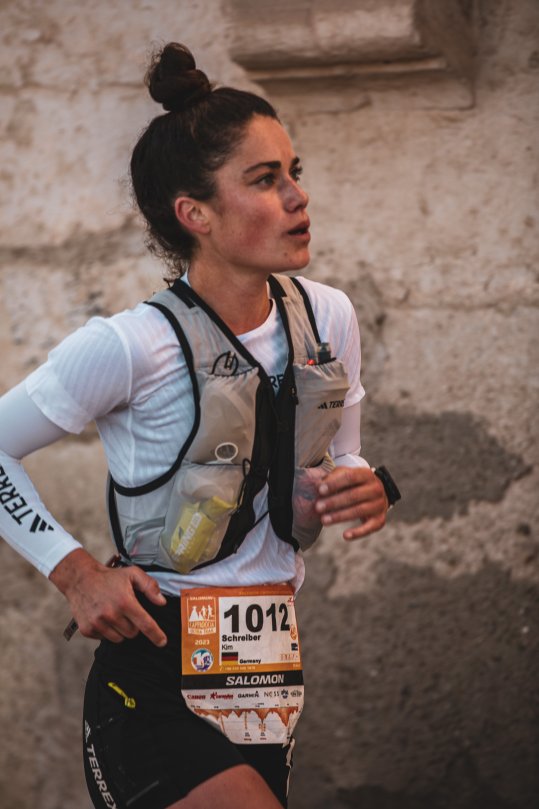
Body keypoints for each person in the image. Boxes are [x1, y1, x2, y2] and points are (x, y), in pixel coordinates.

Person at [0, 43, 399, 809]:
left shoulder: (329, 316)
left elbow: (339, 459)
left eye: (294, 171)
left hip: (268, 672)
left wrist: (358, 488)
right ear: (195, 214)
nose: (296, 197)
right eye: (264, 179)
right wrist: (76, 571)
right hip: (152, 664)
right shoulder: (125, 344)